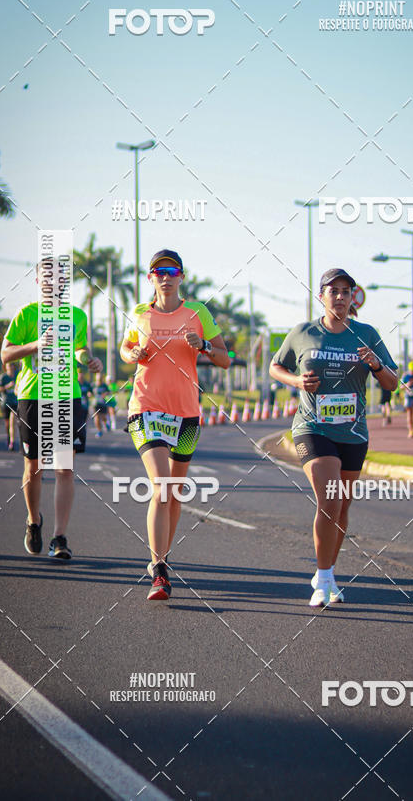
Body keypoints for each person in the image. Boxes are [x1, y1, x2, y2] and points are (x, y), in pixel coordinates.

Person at [270, 268, 398, 607]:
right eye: (333, 290)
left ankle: (327, 573)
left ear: (353, 297)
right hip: (312, 427)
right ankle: (322, 580)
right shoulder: (303, 332)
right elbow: (275, 367)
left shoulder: (366, 333)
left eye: (346, 291)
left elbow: (392, 382)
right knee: (329, 500)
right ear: (321, 295)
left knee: (341, 508)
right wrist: (297, 382)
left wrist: (375, 365)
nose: (340, 296)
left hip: (353, 432)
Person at [120, 249, 230, 601]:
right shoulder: (140, 313)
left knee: (174, 492)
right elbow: (125, 349)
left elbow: (225, 359)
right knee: (161, 485)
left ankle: (161, 559)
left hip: (186, 414)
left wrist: (204, 347)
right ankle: (160, 569)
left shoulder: (198, 313)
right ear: (150, 278)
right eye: (158, 272)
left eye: (171, 271)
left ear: (181, 276)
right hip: (145, 408)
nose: (165, 277)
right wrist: (132, 354)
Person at [1, 258, 102, 559]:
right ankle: (34, 521)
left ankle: (60, 537)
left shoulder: (77, 316)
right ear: (38, 282)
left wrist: (89, 360)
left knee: (64, 469)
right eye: (48, 278)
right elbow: (6, 353)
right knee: (34, 467)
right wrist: (34, 345)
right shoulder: (27, 314)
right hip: (33, 396)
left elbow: (80, 349)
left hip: (67, 397)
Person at [0, 361, 19, 450]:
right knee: (7, 424)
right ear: (6, 367)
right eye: (9, 365)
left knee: (12, 421)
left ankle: (12, 442)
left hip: (15, 402)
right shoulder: (3, 377)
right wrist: (7, 386)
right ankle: (9, 437)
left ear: (14, 366)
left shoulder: (18, 375)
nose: (10, 367)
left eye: (12, 365)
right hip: (5, 402)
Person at [92, 372, 110, 437]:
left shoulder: (104, 385)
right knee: (96, 417)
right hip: (96, 404)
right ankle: (99, 431)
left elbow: (108, 392)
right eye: (98, 379)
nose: (99, 380)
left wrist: (105, 394)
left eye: (100, 379)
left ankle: (105, 424)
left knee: (103, 417)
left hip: (103, 404)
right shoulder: (93, 385)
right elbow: (89, 391)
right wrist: (89, 393)